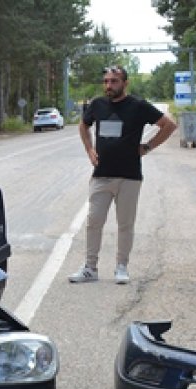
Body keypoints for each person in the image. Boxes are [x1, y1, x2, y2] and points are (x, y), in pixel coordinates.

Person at [68, 66, 177, 285]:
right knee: (94, 221)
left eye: (114, 81)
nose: (109, 86)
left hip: (129, 176)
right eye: (106, 81)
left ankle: (121, 266)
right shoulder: (97, 105)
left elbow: (169, 125)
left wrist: (147, 147)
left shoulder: (138, 106)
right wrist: (89, 149)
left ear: (125, 83)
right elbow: (83, 125)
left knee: (125, 224)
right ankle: (90, 268)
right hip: (102, 175)